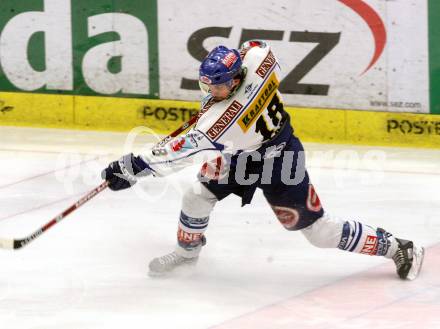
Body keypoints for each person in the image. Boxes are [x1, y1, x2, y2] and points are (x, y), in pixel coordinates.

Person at [101, 40, 424, 280]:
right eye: (208, 85)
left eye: (221, 85)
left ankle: (397, 246)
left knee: (318, 232)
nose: (213, 91)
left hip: (280, 161)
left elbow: (176, 153)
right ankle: (187, 255)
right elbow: (255, 45)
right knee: (197, 196)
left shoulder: (220, 120)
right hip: (242, 155)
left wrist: (130, 168)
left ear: (236, 79)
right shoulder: (258, 60)